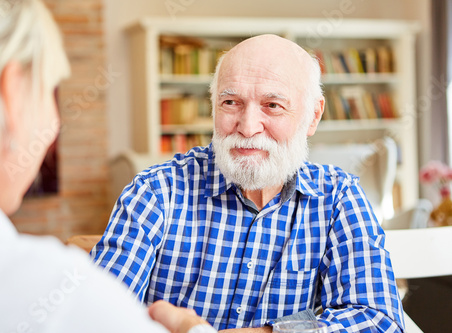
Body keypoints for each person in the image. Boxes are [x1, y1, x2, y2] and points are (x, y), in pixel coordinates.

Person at [92, 34, 405, 332]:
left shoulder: (339, 197)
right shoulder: (155, 192)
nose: (247, 127)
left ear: (312, 116)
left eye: (272, 105)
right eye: (231, 103)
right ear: (214, 106)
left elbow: (379, 321)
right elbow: (93, 319)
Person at [0, 1, 216, 332]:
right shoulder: (51, 292)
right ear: (13, 94)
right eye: (50, 91)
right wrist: (190, 327)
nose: (55, 123)